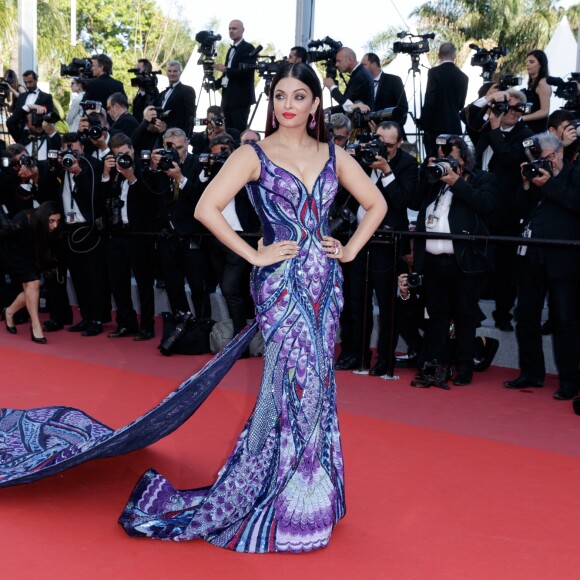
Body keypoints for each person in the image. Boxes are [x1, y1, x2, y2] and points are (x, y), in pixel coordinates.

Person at [118, 62, 387, 551]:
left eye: (299, 95)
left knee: (319, 382)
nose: (288, 104)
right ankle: (283, 493)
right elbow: (205, 208)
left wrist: (348, 249)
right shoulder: (252, 153)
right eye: (281, 95)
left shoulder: (335, 154)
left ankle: (314, 492)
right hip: (281, 282)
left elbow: (378, 204)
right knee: (289, 381)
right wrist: (253, 253)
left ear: (314, 104)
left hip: (325, 283)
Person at [412, 135, 496, 387]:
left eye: (450, 156)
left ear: (464, 158)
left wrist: (457, 182)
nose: (444, 161)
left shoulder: (481, 179)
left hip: (463, 261)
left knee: (464, 316)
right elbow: (414, 202)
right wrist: (425, 173)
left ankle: (465, 367)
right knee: (436, 316)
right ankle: (434, 365)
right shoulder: (434, 181)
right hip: (432, 261)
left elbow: (487, 205)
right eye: (441, 156)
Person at [504, 132, 580, 400]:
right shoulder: (535, 177)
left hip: (564, 259)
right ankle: (531, 372)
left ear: (558, 153)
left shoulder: (574, 175)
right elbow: (518, 210)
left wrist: (548, 184)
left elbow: (575, 202)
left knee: (565, 322)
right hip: (531, 257)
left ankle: (571, 380)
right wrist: (527, 185)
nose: (542, 163)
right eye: (537, 158)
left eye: (545, 157)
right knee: (525, 317)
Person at [341, 121, 418, 375]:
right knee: (356, 302)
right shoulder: (363, 160)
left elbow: (402, 201)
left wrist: (387, 172)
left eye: (386, 145)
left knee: (387, 305)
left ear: (397, 144)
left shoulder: (406, 164)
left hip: (387, 243)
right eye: (377, 142)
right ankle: (356, 354)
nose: (380, 149)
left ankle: (385, 359)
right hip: (360, 241)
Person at [473, 88, 533, 331]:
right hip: (479, 204)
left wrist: (496, 130)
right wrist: (489, 99)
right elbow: (465, 115)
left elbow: (509, 158)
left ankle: (503, 313)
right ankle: (472, 309)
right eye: (507, 105)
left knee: (506, 267)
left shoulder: (526, 134)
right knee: (477, 259)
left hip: (507, 209)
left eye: (518, 108)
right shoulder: (486, 126)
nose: (511, 111)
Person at [0, 201, 61, 343]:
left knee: (31, 289)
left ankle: (8, 312)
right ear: (43, 217)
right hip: (12, 254)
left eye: (58, 221)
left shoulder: (51, 227)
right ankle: (36, 326)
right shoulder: (24, 219)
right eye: (51, 221)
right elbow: (4, 234)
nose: (55, 225)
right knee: (33, 284)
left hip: (31, 255)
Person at [420, 43, 469, 157]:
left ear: (439, 55)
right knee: (453, 160)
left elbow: (430, 101)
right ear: (454, 56)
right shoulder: (463, 77)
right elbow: (461, 104)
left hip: (436, 129)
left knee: (435, 161)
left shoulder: (434, 73)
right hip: (454, 128)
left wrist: (424, 122)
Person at [213, 19, 257, 132]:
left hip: (240, 99)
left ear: (242, 30)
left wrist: (226, 69)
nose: (231, 31)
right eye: (229, 28)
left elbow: (245, 72)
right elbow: (227, 75)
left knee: (239, 131)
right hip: (228, 98)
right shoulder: (230, 50)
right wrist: (214, 85)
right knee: (228, 131)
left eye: (234, 28)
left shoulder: (248, 48)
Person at [323, 47, 374, 114]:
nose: (336, 64)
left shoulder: (360, 76)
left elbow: (347, 105)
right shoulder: (359, 73)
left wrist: (332, 87)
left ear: (349, 60)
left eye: (339, 61)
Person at [361, 52, 408, 125]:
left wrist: (393, 128)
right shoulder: (362, 84)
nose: (361, 68)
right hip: (368, 131)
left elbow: (403, 108)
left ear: (374, 65)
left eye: (364, 65)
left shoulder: (394, 80)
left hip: (390, 130)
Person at [156, 60, 196, 134]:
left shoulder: (187, 90)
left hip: (177, 134)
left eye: (175, 71)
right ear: (167, 73)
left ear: (180, 72)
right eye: (169, 71)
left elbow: (191, 116)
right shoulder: (163, 93)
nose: (172, 73)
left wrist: (187, 135)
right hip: (160, 133)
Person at [521, 50, 551, 134]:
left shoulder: (543, 83)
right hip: (528, 129)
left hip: (537, 132)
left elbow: (544, 111)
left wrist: (522, 118)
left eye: (531, 62)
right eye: (526, 62)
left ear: (541, 65)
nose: (527, 64)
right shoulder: (532, 83)